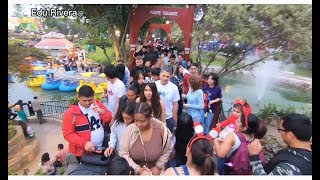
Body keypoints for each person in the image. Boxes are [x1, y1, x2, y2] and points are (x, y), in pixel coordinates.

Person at [119, 102, 174, 175]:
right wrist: (137, 169)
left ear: (150, 117)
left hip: (156, 172)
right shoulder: (130, 130)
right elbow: (123, 153)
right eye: (136, 120)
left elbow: (169, 148)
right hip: (133, 171)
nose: (138, 124)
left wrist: (158, 166)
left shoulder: (161, 129)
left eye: (142, 121)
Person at [248, 113, 312, 175]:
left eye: (280, 130)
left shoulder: (289, 168)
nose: (279, 132)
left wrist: (254, 157)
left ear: (290, 135)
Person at [62, 85, 112, 159]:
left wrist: (102, 112)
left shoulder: (97, 104)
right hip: (83, 151)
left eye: (90, 100)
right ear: (78, 97)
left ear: (93, 97)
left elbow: (109, 118)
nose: (87, 103)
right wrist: (84, 143)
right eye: (84, 100)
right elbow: (68, 134)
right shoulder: (71, 113)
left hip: (101, 146)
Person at [155, 67, 180, 133]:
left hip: (168, 117)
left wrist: (174, 120)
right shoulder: (154, 85)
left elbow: (175, 104)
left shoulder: (174, 88)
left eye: (167, 76)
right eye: (163, 76)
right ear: (160, 75)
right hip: (156, 117)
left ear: (170, 77)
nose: (165, 78)